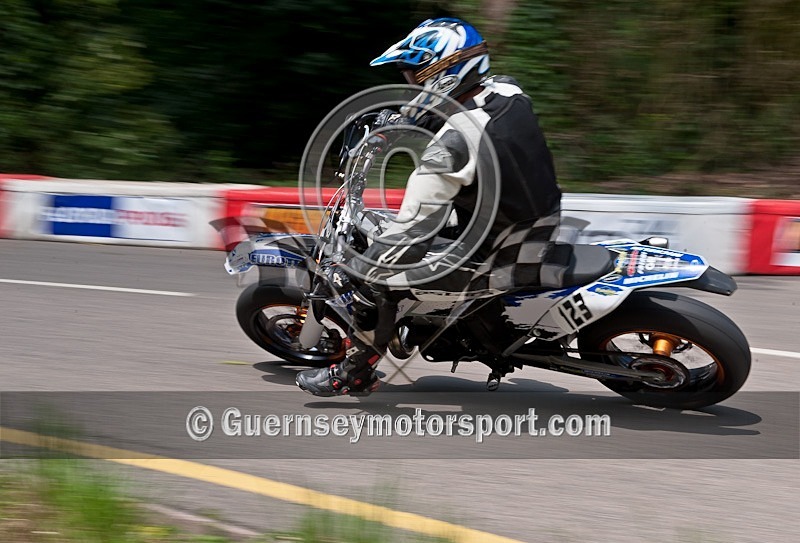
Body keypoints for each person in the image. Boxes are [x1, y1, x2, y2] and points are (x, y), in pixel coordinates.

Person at [296, 17, 562, 396]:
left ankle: (355, 371)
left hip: (504, 256)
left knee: (379, 280)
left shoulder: (448, 152)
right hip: (538, 215)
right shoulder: (507, 91)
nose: (411, 85)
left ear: (444, 73)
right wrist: (404, 121)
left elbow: (411, 237)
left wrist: (365, 265)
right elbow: (464, 122)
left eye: (414, 75)